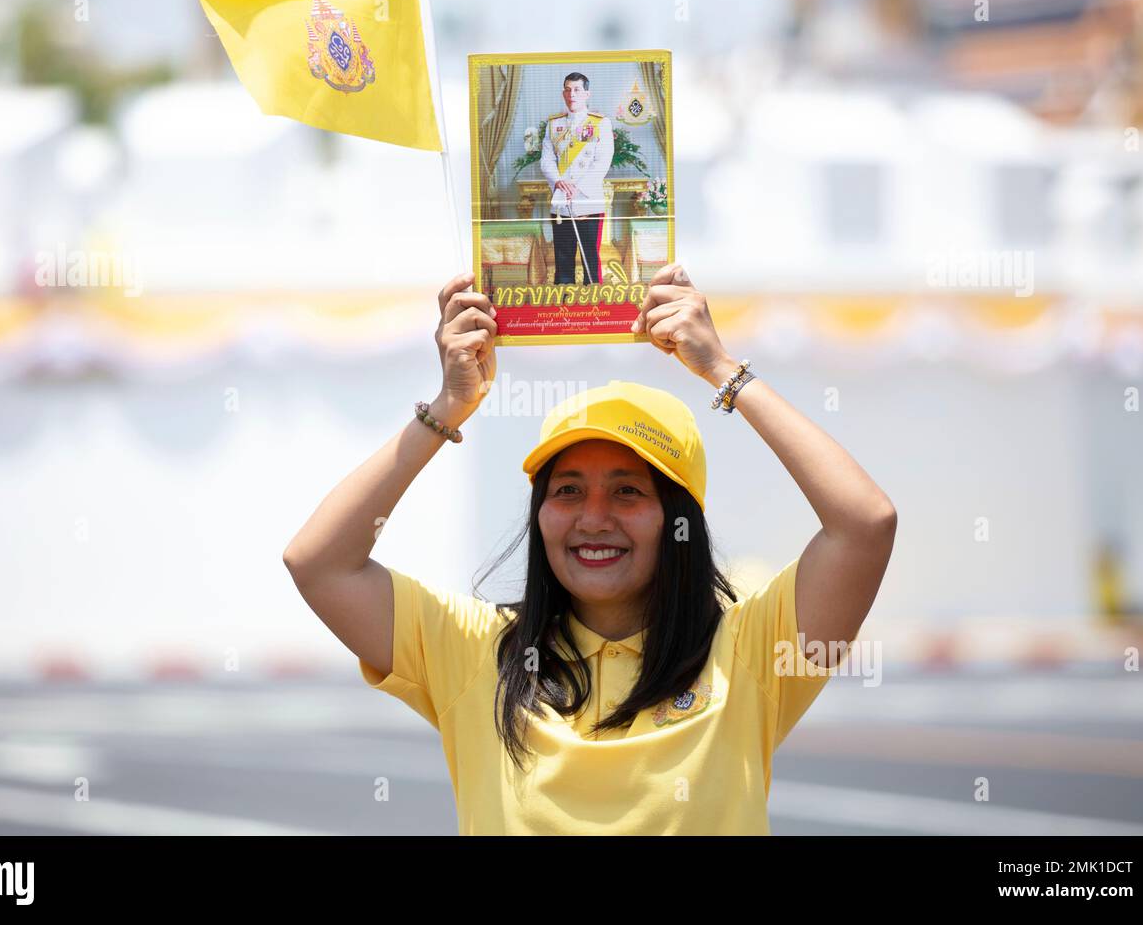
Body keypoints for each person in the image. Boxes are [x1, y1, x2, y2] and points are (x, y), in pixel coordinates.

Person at [283, 264, 897, 835]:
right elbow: (320, 562)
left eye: (627, 491)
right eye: (568, 490)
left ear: (676, 519)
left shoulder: (749, 653)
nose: (593, 519)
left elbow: (864, 524)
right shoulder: (476, 653)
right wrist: (450, 407)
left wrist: (723, 369)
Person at [540, 72, 613, 285]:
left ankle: (593, 305)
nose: (572, 94)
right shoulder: (554, 125)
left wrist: (577, 189)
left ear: (587, 94)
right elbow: (546, 160)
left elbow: (602, 162)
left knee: (590, 256)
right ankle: (564, 301)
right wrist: (559, 182)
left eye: (577, 90)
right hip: (562, 203)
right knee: (563, 257)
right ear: (563, 93)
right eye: (568, 89)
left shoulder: (601, 123)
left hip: (587, 200)